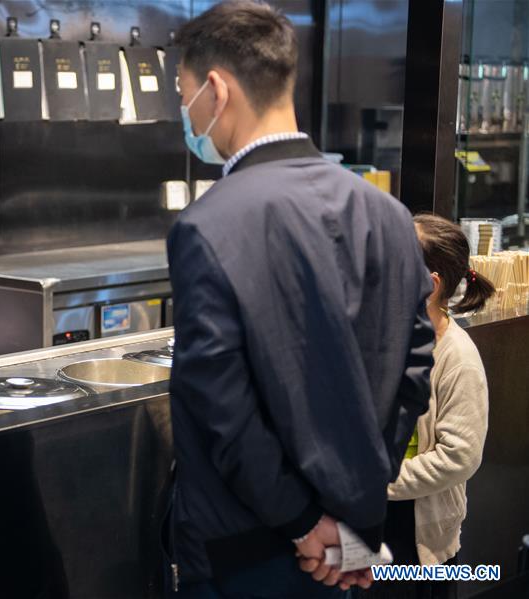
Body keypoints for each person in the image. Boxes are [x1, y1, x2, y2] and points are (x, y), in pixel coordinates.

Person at [164, 2, 436, 597]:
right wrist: (353, 504)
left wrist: (304, 523)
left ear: (216, 89)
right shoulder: (388, 215)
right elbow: (416, 365)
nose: (184, 112)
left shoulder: (208, 225)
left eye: (183, 95)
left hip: (246, 545)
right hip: (354, 534)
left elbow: (220, 400)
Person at [366, 214, 491, 599]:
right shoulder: (384, 337)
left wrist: (377, 484)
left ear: (430, 285)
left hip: (414, 536)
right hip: (368, 522)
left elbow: (459, 457)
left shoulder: (457, 357)